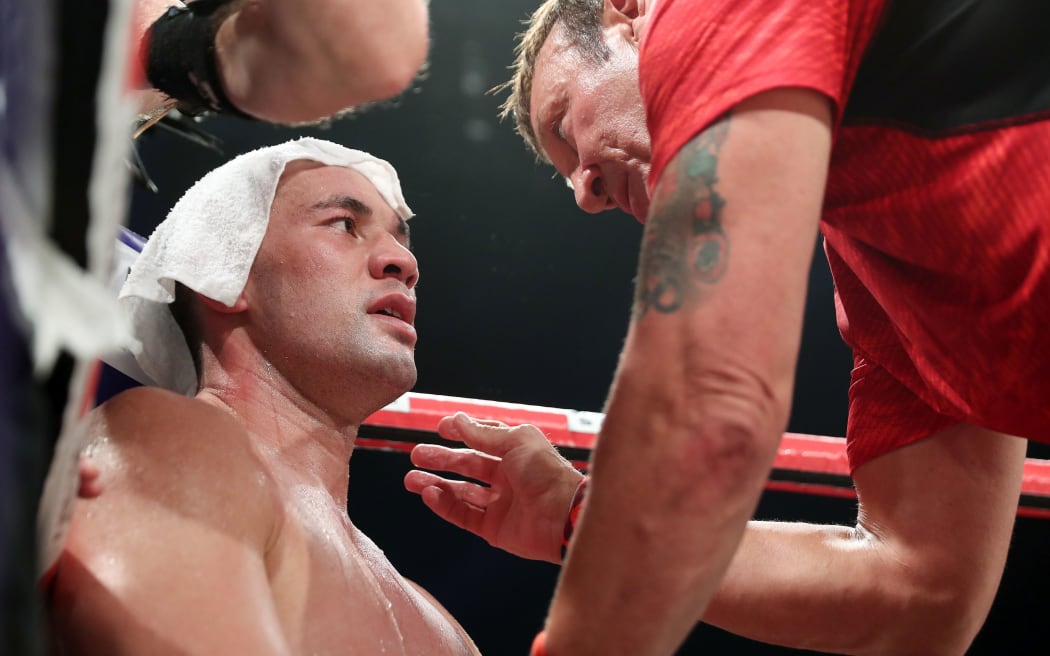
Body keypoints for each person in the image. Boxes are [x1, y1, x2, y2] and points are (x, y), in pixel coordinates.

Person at [407, 1, 1050, 654]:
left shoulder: (711, 9)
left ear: (627, 15)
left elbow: (711, 394)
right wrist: (586, 521)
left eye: (565, 126)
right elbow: (920, 592)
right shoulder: (875, 268)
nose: (583, 193)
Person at [43, 138, 479, 655]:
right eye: (344, 224)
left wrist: (576, 528)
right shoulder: (166, 441)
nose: (403, 262)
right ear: (221, 277)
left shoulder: (441, 625)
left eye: (401, 239)